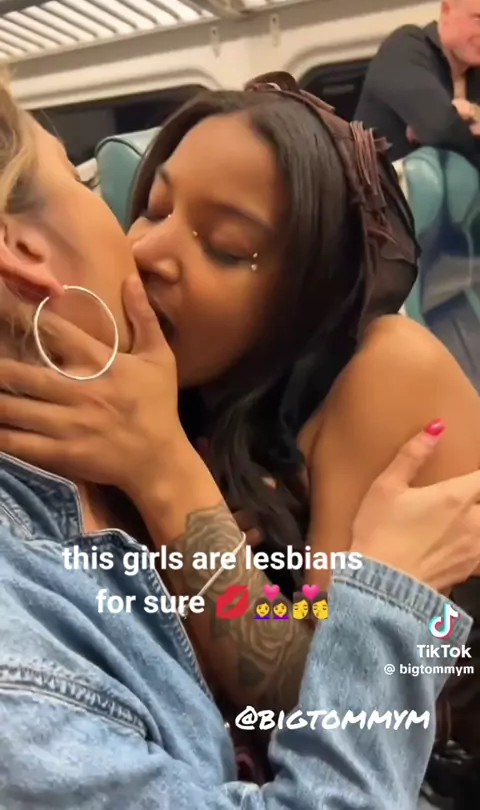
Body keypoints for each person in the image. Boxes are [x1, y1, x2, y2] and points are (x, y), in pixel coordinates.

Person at [2, 69, 480, 808]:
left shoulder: (386, 371)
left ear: (307, 292)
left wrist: (164, 470)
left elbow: (324, 700)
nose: (151, 253)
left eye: (226, 247)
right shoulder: (176, 392)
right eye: (153, 209)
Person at [355, 0, 480, 167]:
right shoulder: (406, 47)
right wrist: (455, 120)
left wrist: (471, 112)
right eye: (478, 19)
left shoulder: (475, 76)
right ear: (447, 11)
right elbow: (440, 128)